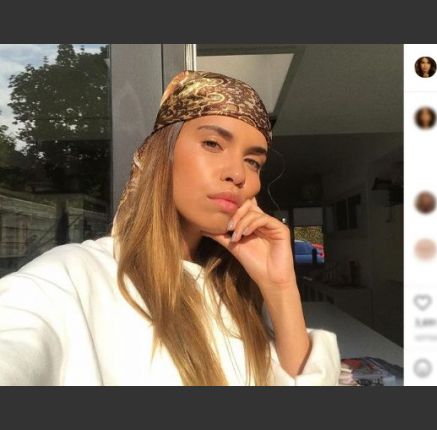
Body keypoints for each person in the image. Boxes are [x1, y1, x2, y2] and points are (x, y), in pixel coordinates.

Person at [0, 71, 341, 386]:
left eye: (253, 161)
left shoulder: (234, 290)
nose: (238, 174)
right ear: (160, 155)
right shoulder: (71, 277)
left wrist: (280, 287)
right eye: (212, 144)